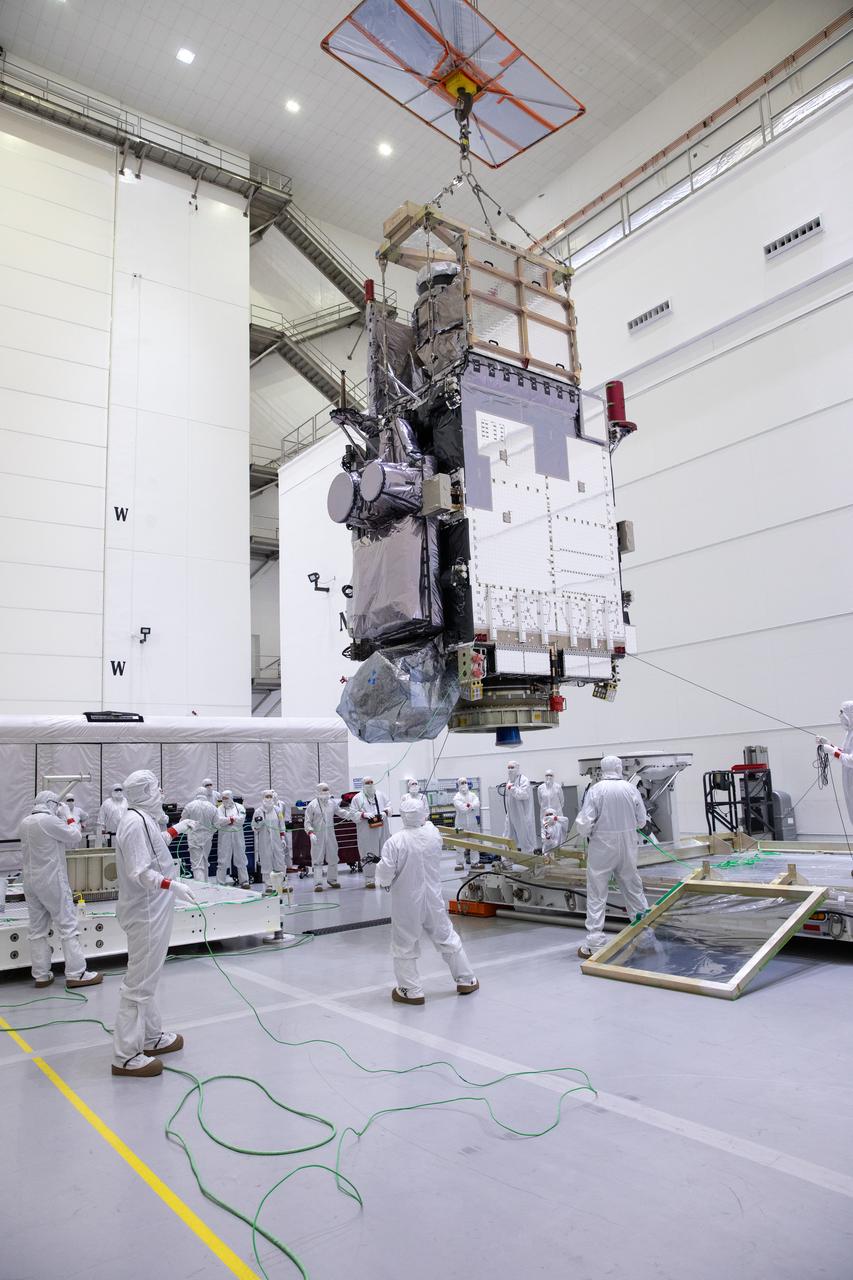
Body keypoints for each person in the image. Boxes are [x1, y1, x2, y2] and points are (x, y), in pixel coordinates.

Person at [112, 770, 198, 1078]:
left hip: (154, 907)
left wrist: (177, 829)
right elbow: (140, 872)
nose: (161, 793)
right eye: (156, 788)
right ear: (145, 792)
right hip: (146, 910)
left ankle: (150, 1037)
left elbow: (155, 846)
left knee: (149, 976)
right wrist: (172, 886)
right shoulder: (134, 822)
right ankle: (125, 1055)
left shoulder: (143, 818)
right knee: (139, 982)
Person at [377, 795, 479, 1004]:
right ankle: (467, 980)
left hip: (407, 902)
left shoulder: (394, 842)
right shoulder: (433, 834)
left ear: (402, 816)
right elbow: (428, 825)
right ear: (423, 813)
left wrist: (384, 882)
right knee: (446, 936)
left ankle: (410, 990)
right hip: (433, 898)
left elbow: (385, 873)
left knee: (404, 942)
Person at [19, 792, 102, 991]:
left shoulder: (25, 822)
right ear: (50, 804)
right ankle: (77, 973)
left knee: (37, 930)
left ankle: (41, 975)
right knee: (68, 925)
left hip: (30, 881)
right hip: (51, 880)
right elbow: (74, 836)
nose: (59, 808)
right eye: (57, 805)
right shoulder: (47, 821)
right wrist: (69, 816)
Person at [572, 755, 649, 959]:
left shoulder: (596, 790)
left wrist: (587, 831)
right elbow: (642, 821)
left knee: (597, 892)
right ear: (619, 767)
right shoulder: (630, 788)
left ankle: (595, 943)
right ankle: (645, 936)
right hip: (628, 844)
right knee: (633, 888)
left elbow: (584, 823)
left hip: (602, 846)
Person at [346, 777, 391, 888]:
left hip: (382, 828)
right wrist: (363, 815)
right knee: (368, 853)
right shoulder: (357, 798)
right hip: (366, 830)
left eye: (371, 782)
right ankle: (369, 879)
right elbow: (352, 814)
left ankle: (384, 878)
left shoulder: (380, 795)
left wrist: (385, 812)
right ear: (363, 785)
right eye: (367, 783)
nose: (370, 784)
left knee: (384, 851)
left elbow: (389, 805)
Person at [818, 702, 853, 827]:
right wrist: (830, 744)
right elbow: (845, 753)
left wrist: (832, 751)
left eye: (842, 712)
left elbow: (850, 760)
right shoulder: (850, 733)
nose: (840, 716)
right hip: (849, 780)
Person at [303, 782, 341, 892]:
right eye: (323, 790)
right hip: (317, 837)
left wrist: (356, 815)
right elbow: (307, 822)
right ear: (318, 791)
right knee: (317, 859)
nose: (325, 792)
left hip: (330, 835)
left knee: (333, 856)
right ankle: (318, 883)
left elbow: (341, 812)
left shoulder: (332, 803)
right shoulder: (312, 805)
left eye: (327, 790)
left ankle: (332, 880)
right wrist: (310, 833)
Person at [180, 788, 218, 881]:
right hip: (207, 839)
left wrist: (188, 832)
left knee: (197, 865)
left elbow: (182, 823)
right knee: (205, 861)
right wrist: (210, 832)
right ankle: (205, 886)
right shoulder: (212, 807)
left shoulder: (190, 806)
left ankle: (200, 888)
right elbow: (217, 824)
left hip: (194, 838)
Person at [252, 790, 287, 888]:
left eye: (270, 796)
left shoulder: (278, 810)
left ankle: (282, 884)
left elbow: (282, 825)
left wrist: (283, 838)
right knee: (266, 862)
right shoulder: (258, 811)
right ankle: (269, 885)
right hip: (264, 842)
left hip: (277, 841)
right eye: (267, 796)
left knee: (280, 861)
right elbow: (254, 827)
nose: (269, 798)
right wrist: (259, 823)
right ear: (263, 797)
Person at [215, 790, 249, 888]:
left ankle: (244, 881)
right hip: (225, 836)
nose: (224, 800)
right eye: (223, 798)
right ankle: (220, 882)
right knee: (223, 858)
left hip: (238, 836)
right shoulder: (220, 808)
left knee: (241, 857)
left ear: (230, 797)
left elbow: (241, 820)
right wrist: (231, 819)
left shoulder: (239, 807)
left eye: (226, 798)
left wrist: (229, 820)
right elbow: (219, 820)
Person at [504, 761, 537, 854]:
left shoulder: (523, 779)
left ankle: (528, 858)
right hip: (510, 814)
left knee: (524, 837)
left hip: (521, 814)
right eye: (508, 767)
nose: (510, 770)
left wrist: (513, 789)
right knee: (508, 836)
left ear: (517, 768)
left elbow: (524, 795)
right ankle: (507, 858)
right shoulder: (509, 781)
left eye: (512, 767)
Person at [452, 777, 480, 872]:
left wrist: (470, 806)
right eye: (461, 783)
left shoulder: (473, 795)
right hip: (460, 823)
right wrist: (471, 806)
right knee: (459, 844)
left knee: (474, 842)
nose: (464, 784)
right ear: (458, 785)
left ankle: (475, 862)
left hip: (472, 823)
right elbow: (462, 809)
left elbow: (477, 804)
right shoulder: (456, 797)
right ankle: (460, 864)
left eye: (465, 782)